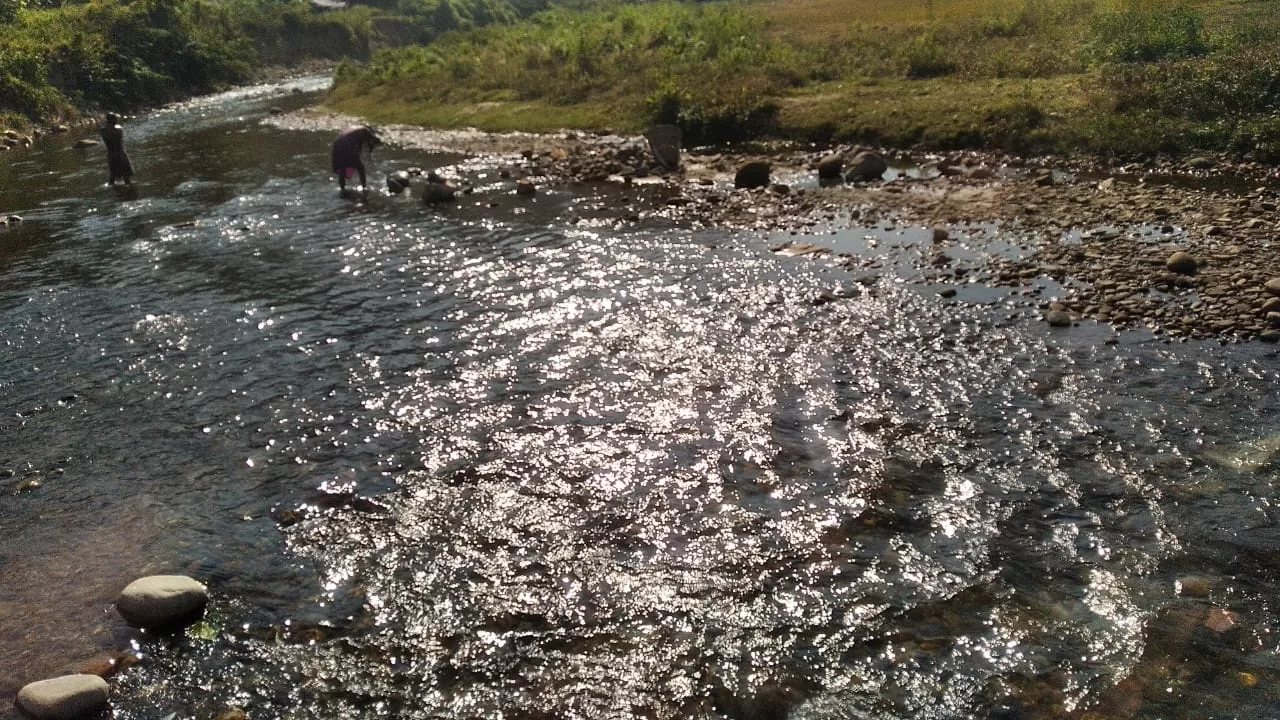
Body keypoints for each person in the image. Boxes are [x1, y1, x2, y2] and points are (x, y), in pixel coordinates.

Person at [331, 125, 381, 193]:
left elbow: (358, 147)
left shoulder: (353, 128)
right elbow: (373, 141)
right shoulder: (366, 131)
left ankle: (342, 189)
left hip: (337, 145)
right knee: (360, 168)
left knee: (342, 169)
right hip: (346, 145)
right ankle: (364, 188)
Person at [99, 113, 133, 186]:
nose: (117, 120)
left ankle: (113, 190)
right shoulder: (119, 129)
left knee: (112, 175)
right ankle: (129, 189)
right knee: (126, 175)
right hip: (120, 153)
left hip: (111, 154)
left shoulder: (102, 130)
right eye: (116, 119)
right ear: (113, 120)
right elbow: (120, 137)